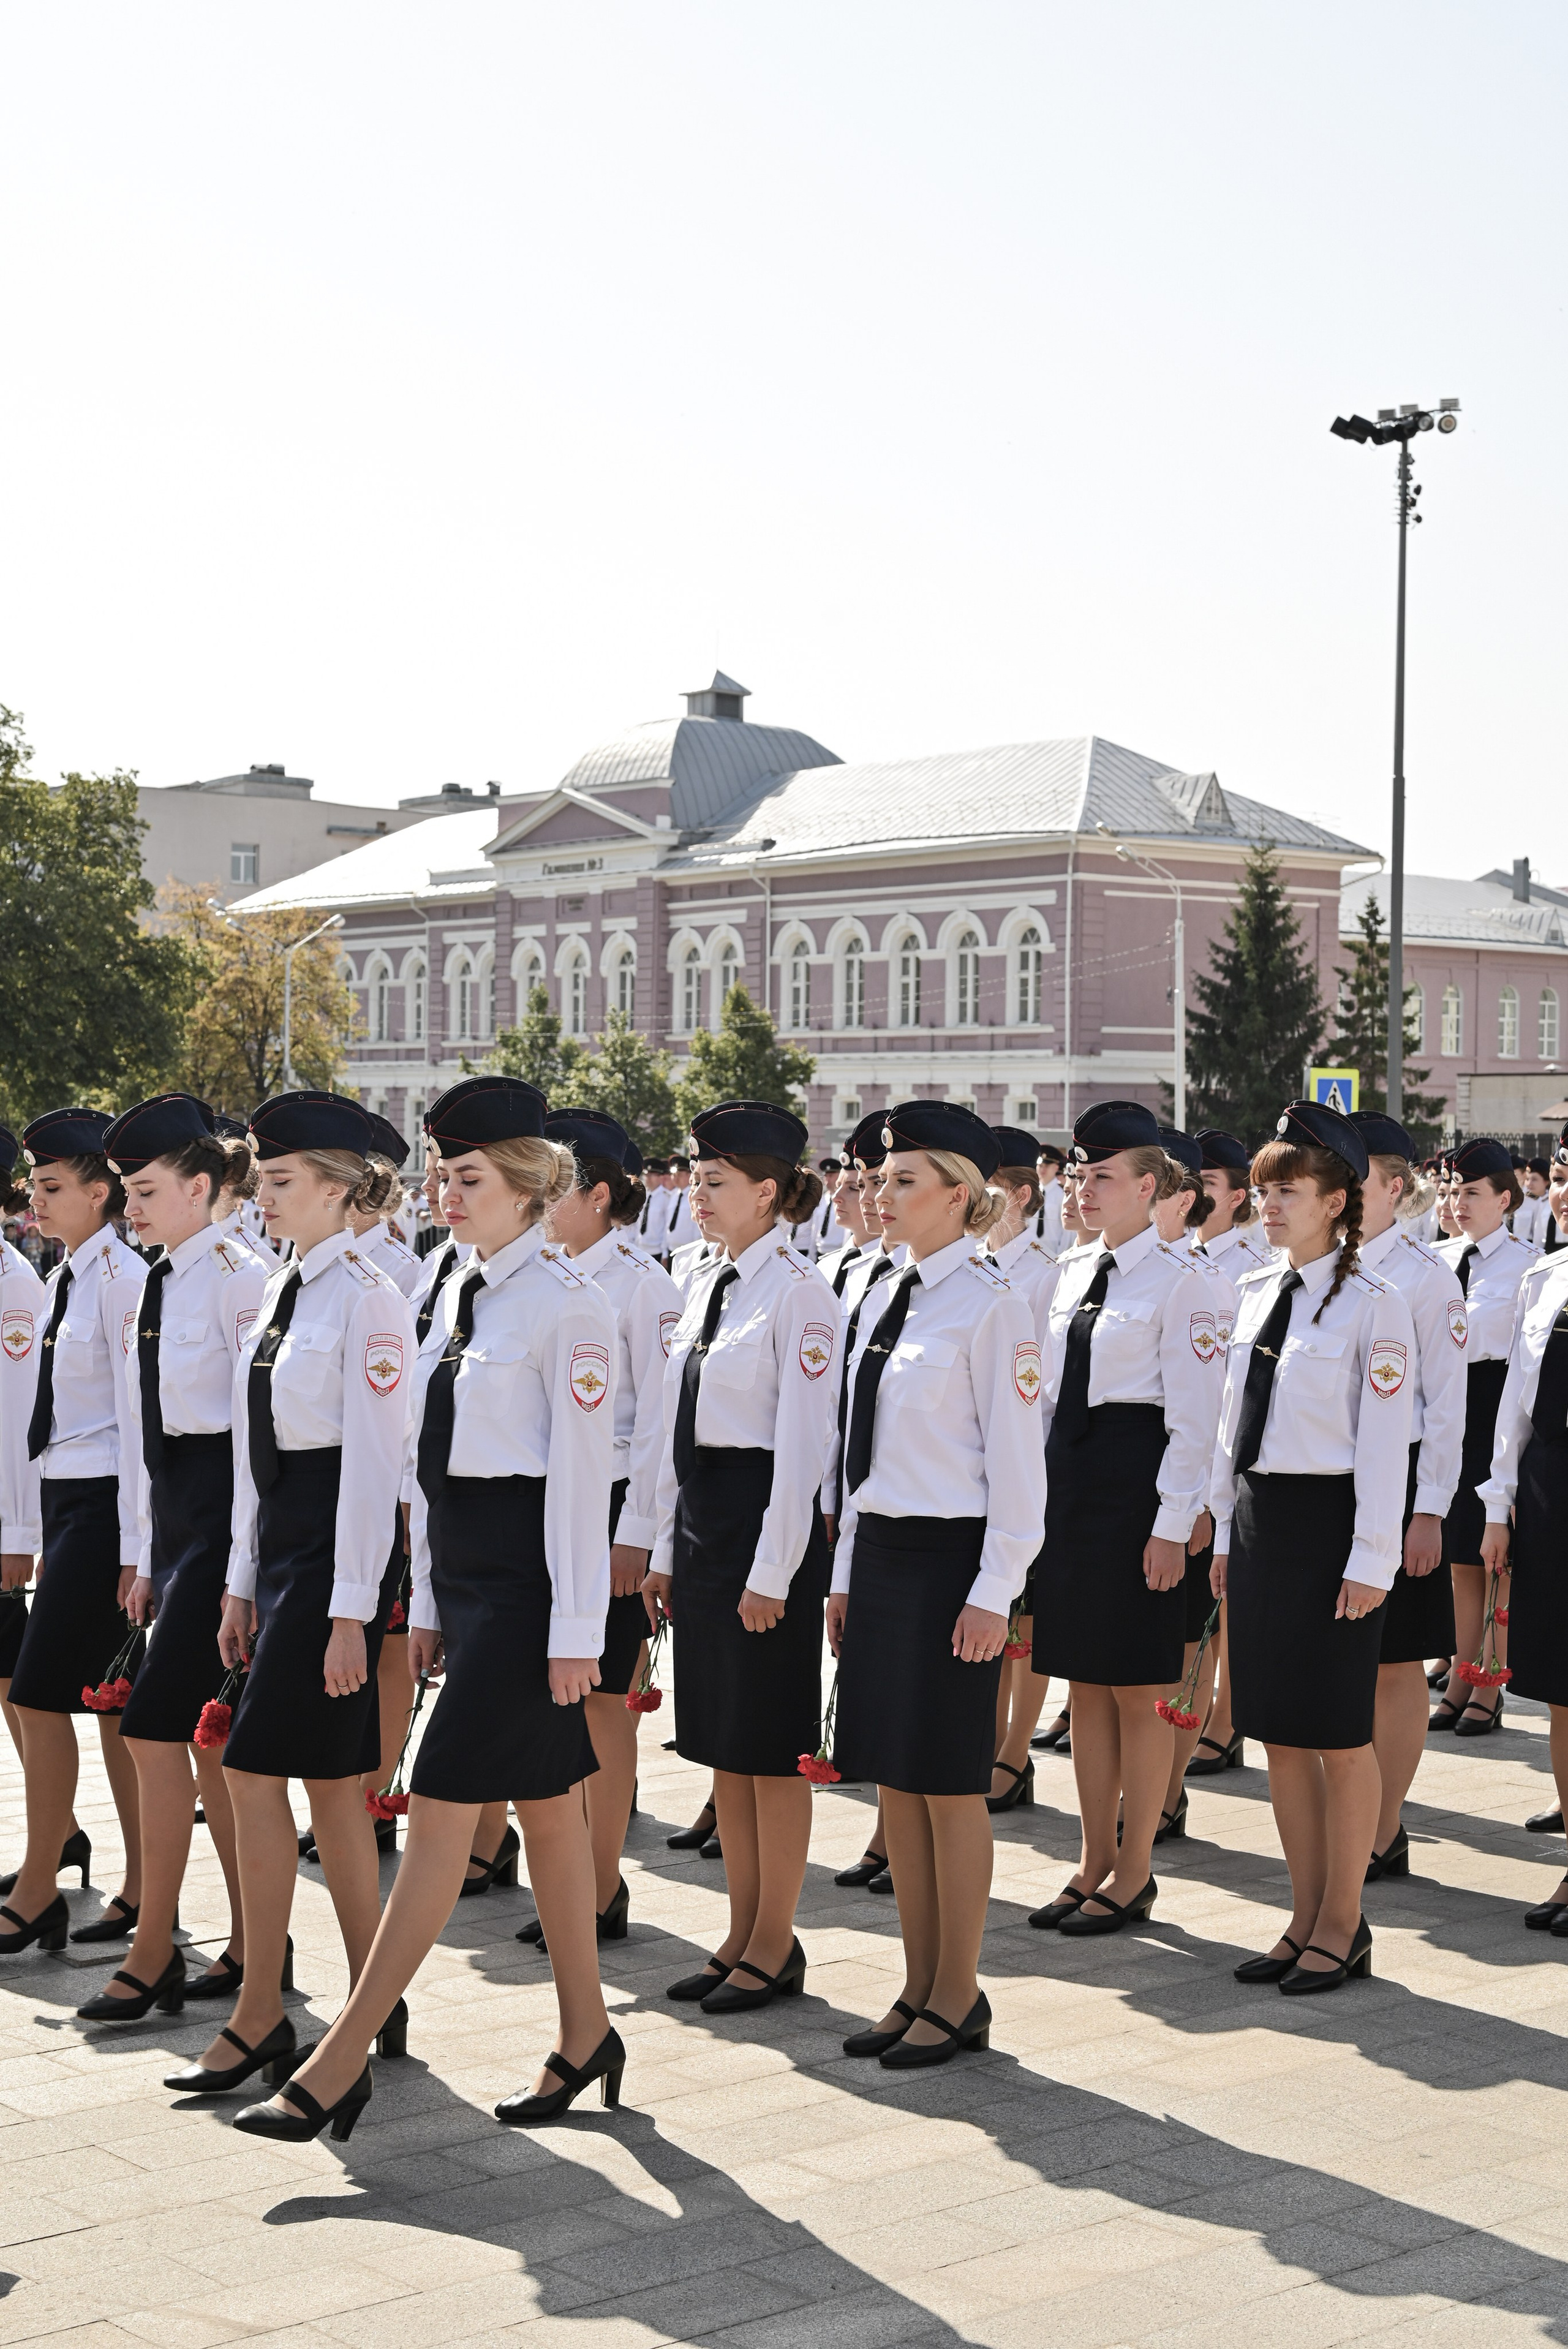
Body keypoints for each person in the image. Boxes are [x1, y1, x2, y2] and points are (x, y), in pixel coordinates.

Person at [231, 1074, 620, 2140]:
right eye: (443, 1175)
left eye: (470, 1177)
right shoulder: (454, 1291)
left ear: (531, 1184)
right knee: (546, 1814)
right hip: (475, 1581)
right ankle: (587, 2034)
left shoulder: (570, 1306)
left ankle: (338, 2061)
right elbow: (429, 1467)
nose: (445, 1194)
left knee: (444, 1805)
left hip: (535, 1592)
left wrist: (579, 1633)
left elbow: (583, 1486)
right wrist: (435, 1598)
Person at [162, 1091, 413, 2097]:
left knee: (252, 1770)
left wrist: (352, 1611)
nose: (258, 1198)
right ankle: (372, 2002)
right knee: (332, 1793)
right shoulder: (282, 1290)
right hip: (279, 1553)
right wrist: (236, 1584)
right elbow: (252, 1464)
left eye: (279, 1183)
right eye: (258, 1181)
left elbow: (372, 1471)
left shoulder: (371, 1298)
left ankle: (264, 2008)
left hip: (333, 1559)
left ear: (341, 1190)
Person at [831, 1101, 1045, 2065]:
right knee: (898, 1788)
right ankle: (916, 1982)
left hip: (955, 1565)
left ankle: (959, 1990)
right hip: (883, 1556)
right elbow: (859, 1455)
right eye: (879, 1177)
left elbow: (1019, 1470)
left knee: (949, 1785)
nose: (881, 1192)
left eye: (903, 1179)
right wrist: (844, 1574)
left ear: (960, 1195)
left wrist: (994, 1590)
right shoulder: (885, 1291)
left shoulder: (996, 1304)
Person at [75, 1095, 270, 2021]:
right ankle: (245, 1939)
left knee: (160, 1730)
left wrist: (237, 1568)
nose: (133, 1208)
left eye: (148, 1191)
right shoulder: (155, 1278)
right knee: (206, 1750)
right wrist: (139, 1548)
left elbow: (252, 1441)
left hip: (230, 1524)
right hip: (179, 1523)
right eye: (126, 1191)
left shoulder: (240, 1276)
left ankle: (156, 1946)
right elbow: (145, 1432)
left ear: (201, 1186)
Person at [1215, 1101, 1415, 1993]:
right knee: (1282, 1738)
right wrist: (1223, 1531)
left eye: (1287, 1189)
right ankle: (1302, 1915)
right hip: (1263, 1526)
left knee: (1339, 1734)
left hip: (1333, 1530)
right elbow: (1232, 1430)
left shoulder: (1378, 1304)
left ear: (1338, 1200)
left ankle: (1346, 1919)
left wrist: (1372, 1560)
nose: (1269, 1204)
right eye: (1263, 1190)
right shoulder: (1257, 1291)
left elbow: (1383, 1445)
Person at [645, 1101, 835, 2015]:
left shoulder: (800, 1292)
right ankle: (739, 1929)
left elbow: (801, 1451)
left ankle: (775, 1938)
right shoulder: (706, 1280)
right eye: (694, 1178)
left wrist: (774, 1571)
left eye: (716, 1182)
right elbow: (675, 1427)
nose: (696, 1195)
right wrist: (664, 1547)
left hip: (765, 1533)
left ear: (768, 1191)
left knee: (770, 1745)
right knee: (723, 1741)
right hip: (707, 1531)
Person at [1029, 1101, 1219, 1939]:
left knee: (1137, 1689)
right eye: (1080, 1173)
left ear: (1150, 1186)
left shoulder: (1185, 1279)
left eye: (1102, 1174)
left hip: (1137, 1488)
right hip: (1072, 1488)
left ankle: (1135, 1864)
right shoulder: (1072, 1271)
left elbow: (1194, 1416)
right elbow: (1043, 1401)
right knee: (1086, 1683)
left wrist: (1172, 1523)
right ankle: (1090, 1858)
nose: (1085, 1186)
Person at [514, 1106, 680, 1941]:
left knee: (607, 1703)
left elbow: (657, 1420)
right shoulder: (546, 1272)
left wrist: (639, 1532)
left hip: (615, 1503)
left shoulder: (644, 1284)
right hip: (554, 1502)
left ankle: (602, 1883)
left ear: (601, 1193)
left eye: (559, 1184)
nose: (544, 1200)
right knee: (562, 1699)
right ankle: (569, 1870)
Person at [0, 1110, 148, 1955]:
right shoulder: (70, 1274)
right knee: (111, 1707)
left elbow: (133, 1421)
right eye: (34, 1184)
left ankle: (38, 1885)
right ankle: (134, 1881)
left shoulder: (123, 1279)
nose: (37, 1199)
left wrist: (135, 1545)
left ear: (103, 1191)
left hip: (102, 1505)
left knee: (36, 1693)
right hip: (70, 1501)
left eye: (53, 1186)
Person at [1336, 1112, 1467, 1882]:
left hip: (1406, 1479)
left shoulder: (1425, 1277)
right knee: (1349, 1661)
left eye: (1353, 1179)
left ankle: (1382, 1827)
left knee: (1394, 1665)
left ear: (1393, 1187)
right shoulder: (1323, 1268)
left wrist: (1430, 1511)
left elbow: (1445, 1408)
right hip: (1335, 1486)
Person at [823, 1112, 908, 1892]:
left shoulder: (982, 1295)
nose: (863, 1193)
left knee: (924, 1746)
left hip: (933, 1537)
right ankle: (888, 1831)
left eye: (884, 1179)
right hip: (859, 1511)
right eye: (861, 1179)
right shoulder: (861, 1276)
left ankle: (895, 1832)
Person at [1428, 1139, 1536, 1738]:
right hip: (1452, 1409)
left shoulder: (1524, 1264)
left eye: (1473, 1192)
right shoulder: (1442, 1258)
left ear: (1505, 1199)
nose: (1460, 1202)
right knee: (1459, 1559)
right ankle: (1462, 1676)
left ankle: (1489, 1684)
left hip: (1498, 1406)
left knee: (1498, 1559)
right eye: (1455, 1191)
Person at [1150, 1130, 1238, 1836]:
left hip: (1190, 1493)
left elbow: (1210, 1409)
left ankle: (1167, 1790)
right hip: (1125, 1497)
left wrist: (1205, 1507)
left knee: (1185, 1648)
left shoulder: (1201, 1274)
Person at [981, 1125, 1060, 1814]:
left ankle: (1013, 1750)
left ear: (1022, 1195)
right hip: (966, 1474)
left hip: (1023, 1467)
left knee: (1022, 1624)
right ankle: (984, 1740)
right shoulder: (970, 1267)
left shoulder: (1046, 1275)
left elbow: (1039, 1397)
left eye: (991, 1190)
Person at [0, 1129, 47, 1880]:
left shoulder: (13, 1283)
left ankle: (54, 1830)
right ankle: (59, 1827)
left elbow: (16, 1416)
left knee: (17, 1682)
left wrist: (15, 1531)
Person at [658, 1156, 695, 1265]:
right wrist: (665, 1253)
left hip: (689, 1253)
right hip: (671, 1251)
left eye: (679, 1174)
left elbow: (697, 1228)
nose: (675, 1177)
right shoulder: (673, 1196)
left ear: (689, 1175)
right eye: (673, 1174)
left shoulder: (694, 1196)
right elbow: (667, 1225)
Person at [1035, 1145, 1067, 1252]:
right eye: (1041, 1165)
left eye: (1047, 1166)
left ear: (1056, 1168)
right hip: (1031, 1251)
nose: (1043, 1169)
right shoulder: (1031, 1192)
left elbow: (1066, 1230)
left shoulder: (1062, 1194)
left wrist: (1061, 1253)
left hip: (1053, 1251)